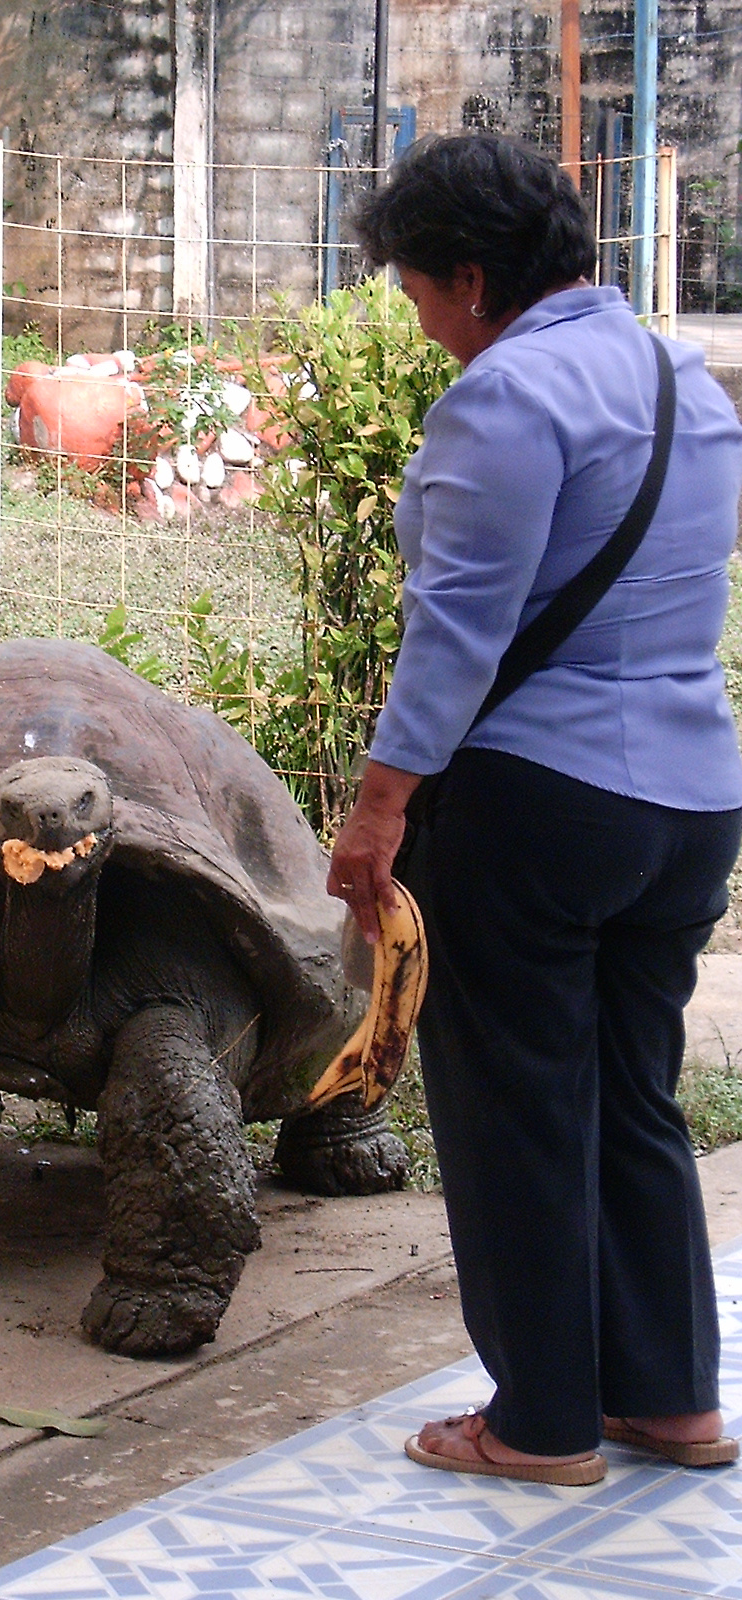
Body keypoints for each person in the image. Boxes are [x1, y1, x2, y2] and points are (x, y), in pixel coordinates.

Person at [329, 132, 742, 1484]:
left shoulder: (504, 400)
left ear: (468, 277)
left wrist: (379, 804)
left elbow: (456, 630)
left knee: (514, 1113)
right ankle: (672, 1397)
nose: (421, 323)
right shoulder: (686, 377)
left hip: (538, 810)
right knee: (633, 1095)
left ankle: (543, 1421)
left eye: (415, 293)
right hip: (691, 804)